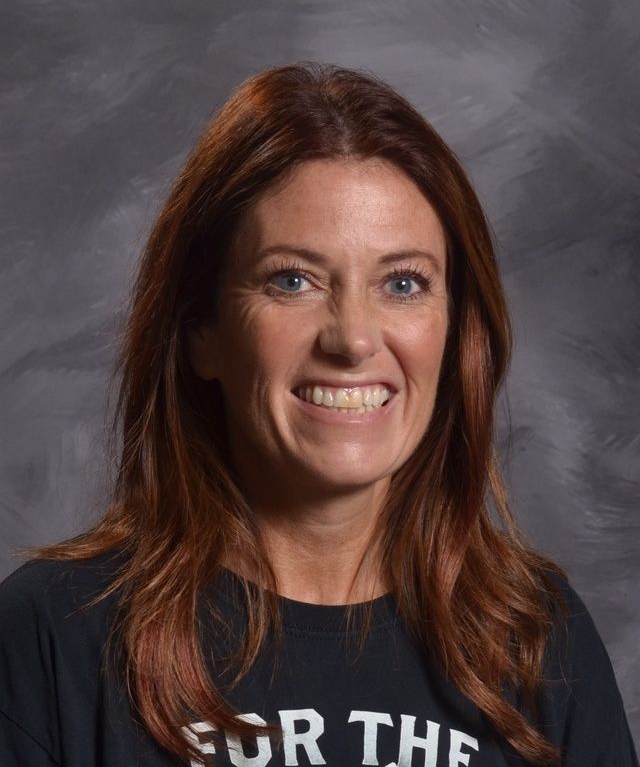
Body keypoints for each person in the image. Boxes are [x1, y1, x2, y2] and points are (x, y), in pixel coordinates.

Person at [0, 62, 637, 767]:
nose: (353, 340)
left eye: (403, 283)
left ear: (456, 332)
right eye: (293, 280)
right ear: (201, 331)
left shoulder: (541, 640)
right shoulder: (51, 638)